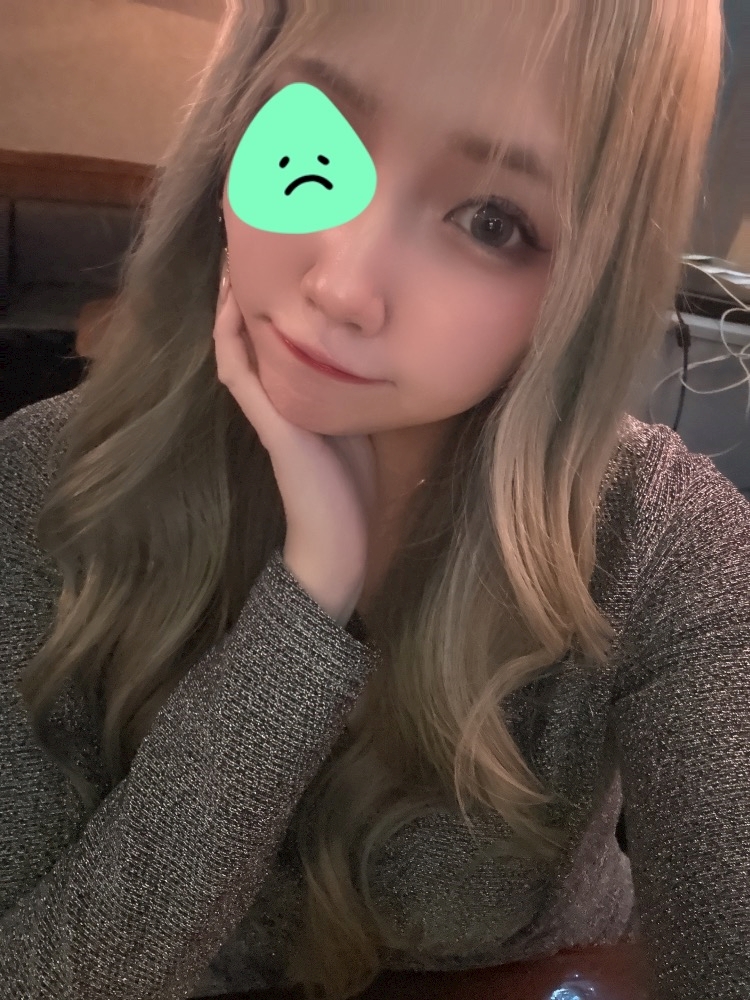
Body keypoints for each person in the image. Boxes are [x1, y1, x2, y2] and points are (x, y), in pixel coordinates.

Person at [0, 1, 747, 999]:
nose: (342, 283)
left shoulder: (662, 537)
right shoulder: (46, 478)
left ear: (586, 282)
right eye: (312, 141)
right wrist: (308, 607)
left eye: (491, 221)